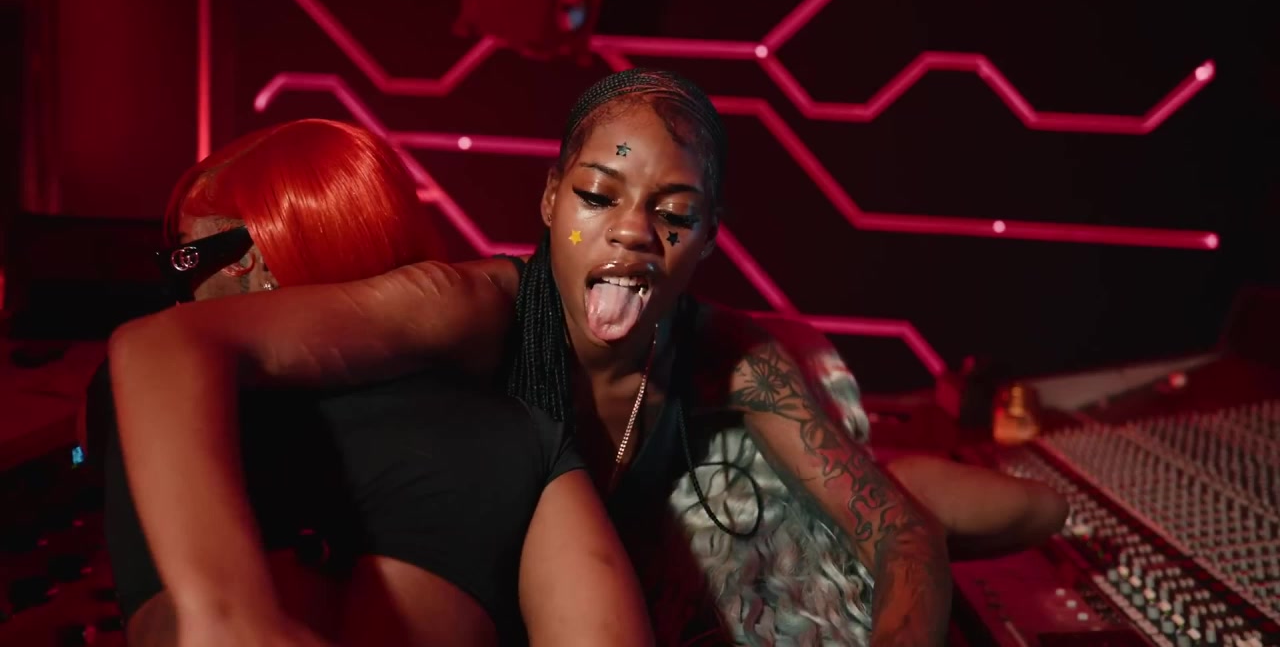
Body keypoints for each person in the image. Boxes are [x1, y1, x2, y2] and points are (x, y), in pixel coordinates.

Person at [108, 71, 1066, 646]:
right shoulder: (472, 307)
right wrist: (221, 609)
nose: (634, 231)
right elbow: (168, 346)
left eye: (674, 214)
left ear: (708, 238)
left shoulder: (732, 354)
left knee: (1025, 507)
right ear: (550, 200)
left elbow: (899, 535)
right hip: (563, 584)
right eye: (600, 196)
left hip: (698, 538)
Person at [94, 118, 653, 647]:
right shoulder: (524, 436)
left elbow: (155, 346)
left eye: (186, 258)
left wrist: (227, 615)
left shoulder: (152, 398)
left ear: (259, 258)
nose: (178, 289)